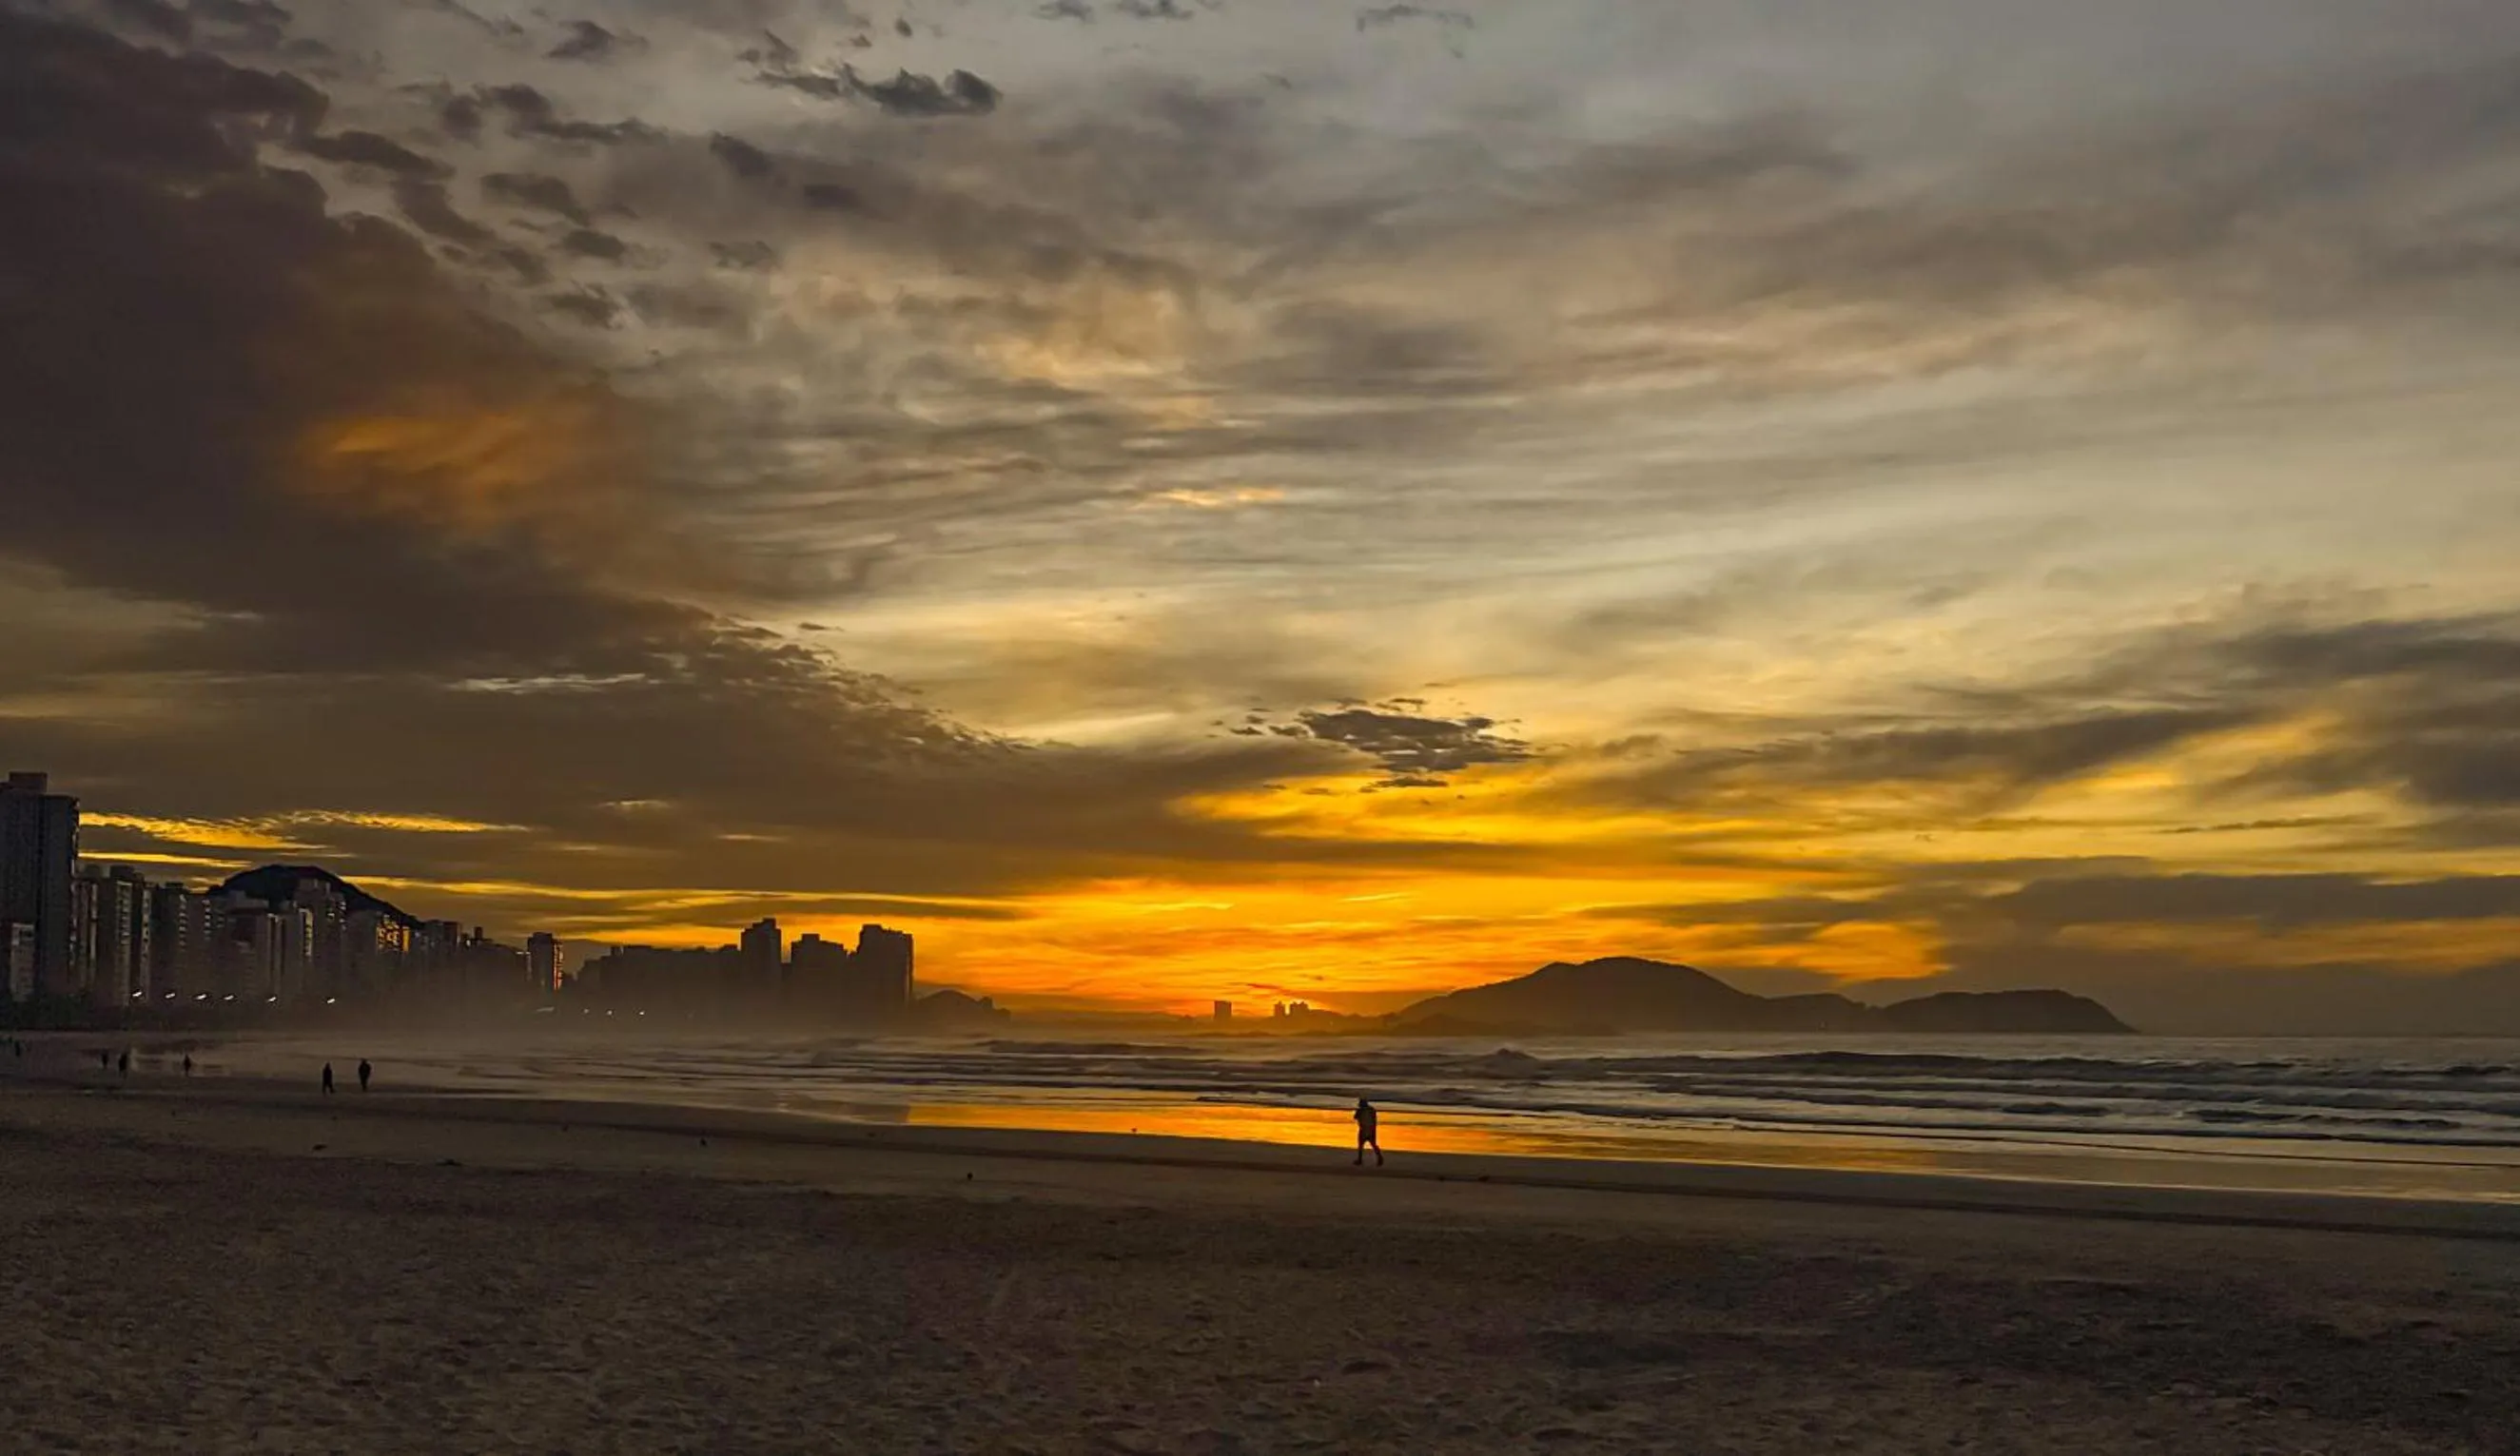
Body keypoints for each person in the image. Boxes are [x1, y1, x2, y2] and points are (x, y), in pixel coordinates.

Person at [1353, 1097, 1384, 1167]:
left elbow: (1355, 1117)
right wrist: (1374, 1129)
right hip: (1371, 1129)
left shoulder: (1360, 1110)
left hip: (1364, 1129)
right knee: (1373, 1145)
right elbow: (1375, 1120)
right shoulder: (1372, 1110)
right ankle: (1380, 1158)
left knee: (1361, 1145)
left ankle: (1360, 1160)